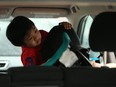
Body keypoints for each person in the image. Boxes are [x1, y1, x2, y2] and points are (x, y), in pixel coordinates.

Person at [6, 16, 73, 67]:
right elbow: (32, 72)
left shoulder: (42, 33)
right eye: (30, 38)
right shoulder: (28, 54)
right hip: (48, 71)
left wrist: (63, 26)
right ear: (23, 44)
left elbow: (55, 40)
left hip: (61, 60)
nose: (36, 37)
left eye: (35, 31)